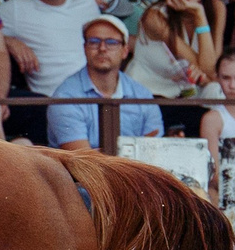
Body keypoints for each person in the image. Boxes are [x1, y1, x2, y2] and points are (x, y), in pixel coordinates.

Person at [0, 0, 102, 143]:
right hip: (49, 106)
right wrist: (8, 41)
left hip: (96, 101)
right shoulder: (15, 8)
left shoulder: (87, 2)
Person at [45, 11, 163, 151]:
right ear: (85, 48)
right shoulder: (65, 96)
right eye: (94, 42)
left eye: (111, 42)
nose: (102, 48)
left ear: (125, 51)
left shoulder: (142, 94)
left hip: (131, 165)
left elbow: (153, 150)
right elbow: (83, 158)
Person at [128, 0, 224, 108]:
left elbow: (213, 70)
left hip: (186, 96)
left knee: (215, 90)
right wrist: (199, 15)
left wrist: (199, 15)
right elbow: (206, 69)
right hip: (149, 96)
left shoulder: (217, 8)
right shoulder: (154, 16)